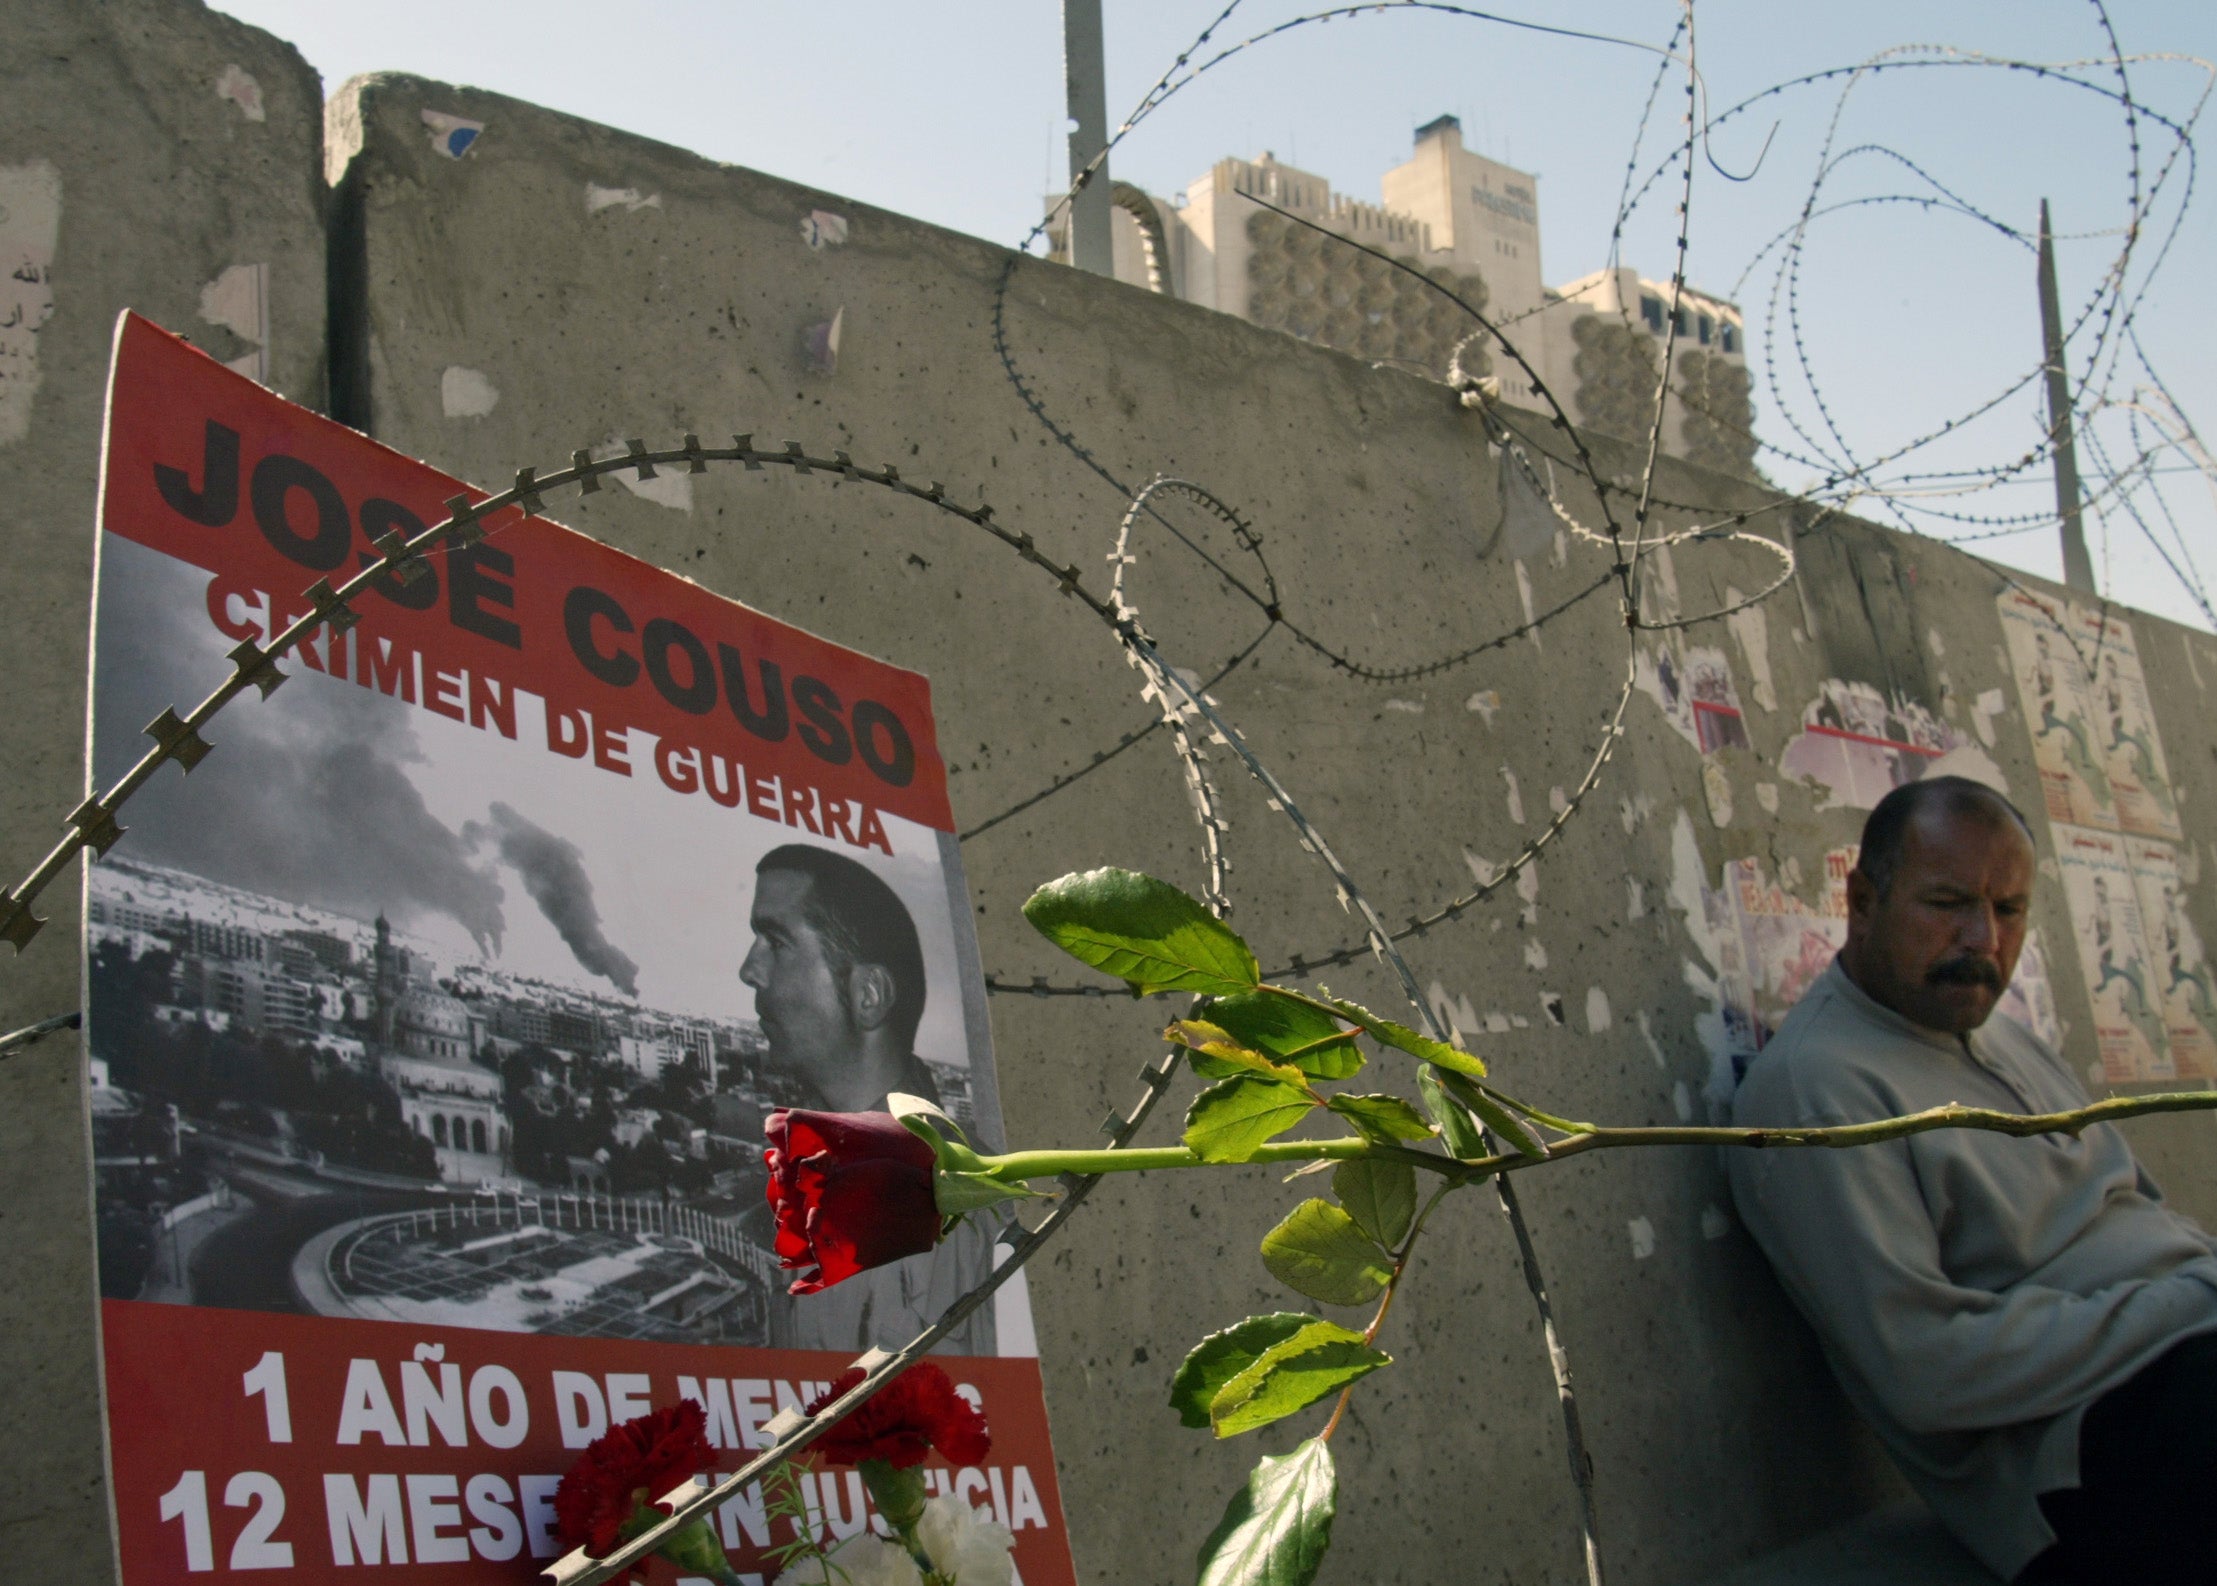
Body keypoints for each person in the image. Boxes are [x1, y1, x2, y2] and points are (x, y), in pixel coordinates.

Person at [1727, 777, 2217, 1584]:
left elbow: (2146, 1219)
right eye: (1947, 903)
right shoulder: (1817, 1087)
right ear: (1862, 898)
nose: (1981, 938)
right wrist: (2186, 1304)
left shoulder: (2007, 1040)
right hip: (2078, 1461)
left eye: (2008, 911)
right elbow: (1924, 1371)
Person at [739, 843, 997, 1357]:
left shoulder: (949, 1204)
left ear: (868, 996)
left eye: (776, 941)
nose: (749, 970)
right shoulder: (815, 1176)